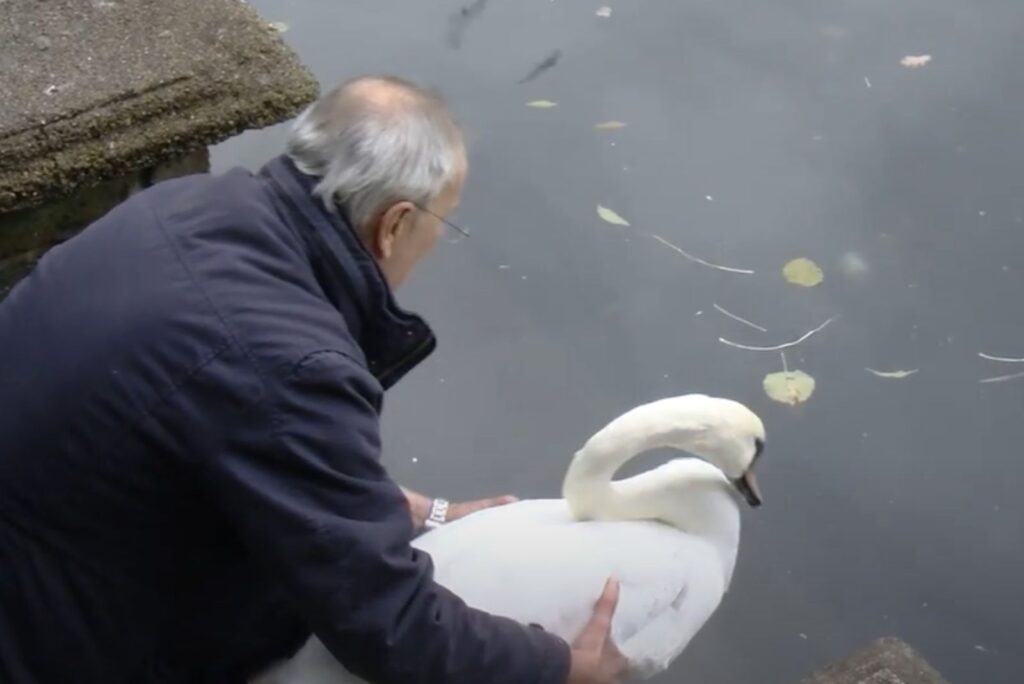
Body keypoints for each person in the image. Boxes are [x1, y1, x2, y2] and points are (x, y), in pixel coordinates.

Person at [0, 75, 626, 684]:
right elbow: (390, 627)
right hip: (55, 645)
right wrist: (561, 667)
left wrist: (424, 514)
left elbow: (253, 444)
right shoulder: (292, 363)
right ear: (395, 223)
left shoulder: (182, 206)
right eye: (445, 223)